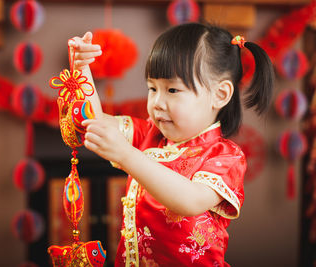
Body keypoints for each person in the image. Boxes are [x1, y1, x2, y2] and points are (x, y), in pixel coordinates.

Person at [68, 23, 274, 266]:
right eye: (152, 88)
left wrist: (127, 155)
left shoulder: (225, 156)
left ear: (220, 95)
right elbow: (94, 121)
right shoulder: (149, 134)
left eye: (172, 89)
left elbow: (189, 200)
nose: (157, 102)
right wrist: (81, 69)